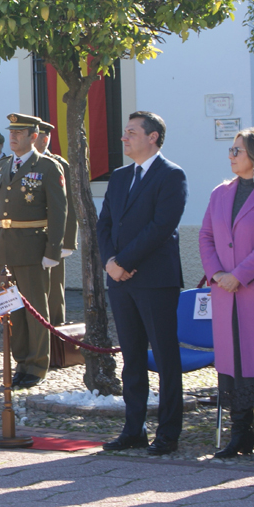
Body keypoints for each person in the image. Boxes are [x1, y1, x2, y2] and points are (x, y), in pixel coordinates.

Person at [97, 111, 187, 456]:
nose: (124, 138)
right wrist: (110, 263)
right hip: (120, 281)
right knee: (132, 358)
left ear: (153, 137)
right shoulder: (119, 177)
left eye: (132, 132)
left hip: (154, 280)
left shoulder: (171, 175)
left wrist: (124, 262)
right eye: (124, 132)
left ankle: (168, 433)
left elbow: (161, 227)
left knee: (165, 359)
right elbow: (105, 224)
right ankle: (134, 429)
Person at [199, 128, 254, 461]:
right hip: (225, 295)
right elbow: (206, 237)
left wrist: (238, 275)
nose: (230, 155)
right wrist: (217, 274)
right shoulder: (220, 193)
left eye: (237, 150)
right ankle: (240, 434)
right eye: (230, 149)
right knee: (232, 366)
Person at [0, 113, 67, 389]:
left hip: (33, 247)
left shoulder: (47, 166)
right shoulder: (2, 167)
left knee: (35, 309)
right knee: (12, 310)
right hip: (5, 248)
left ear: (34, 137)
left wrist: (53, 250)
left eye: (19, 133)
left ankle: (36, 364)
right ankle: (20, 360)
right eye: (11, 132)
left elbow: (59, 212)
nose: (13, 137)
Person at [36, 121, 78, 326]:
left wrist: (67, 242)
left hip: (52, 236)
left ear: (45, 140)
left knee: (53, 289)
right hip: (26, 238)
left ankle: (56, 331)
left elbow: (68, 205)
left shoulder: (59, 165)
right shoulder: (16, 165)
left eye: (35, 138)